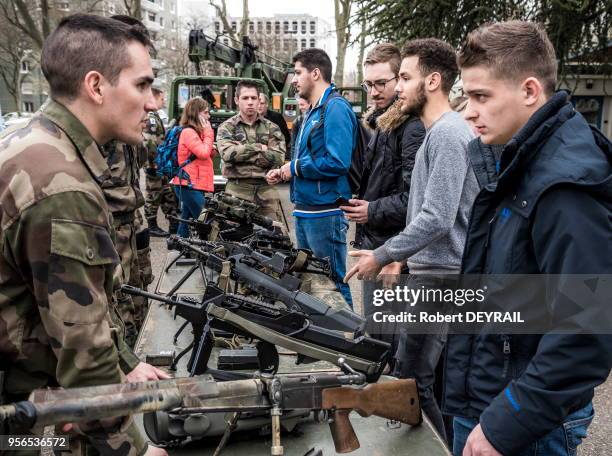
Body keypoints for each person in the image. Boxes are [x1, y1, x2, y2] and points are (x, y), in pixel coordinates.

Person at [0, 14, 168, 456]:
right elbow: (85, 359)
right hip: (23, 423)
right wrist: (135, 449)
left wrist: (125, 363)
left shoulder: (31, 144)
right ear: (96, 86)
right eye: (142, 85)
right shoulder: (63, 186)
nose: (152, 103)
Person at [447, 21, 612, 456]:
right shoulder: (514, 158)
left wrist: (509, 420)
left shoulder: (564, 186)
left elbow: (587, 329)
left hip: (524, 423)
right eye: (466, 96)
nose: (468, 110)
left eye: (481, 96)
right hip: (489, 398)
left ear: (529, 91)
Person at [344, 38, 478, 439]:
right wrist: (396, 256)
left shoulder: (448, 136)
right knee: (422, 380)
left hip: (440, 279)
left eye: (404, 77)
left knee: (412, 381)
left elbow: (437, 217)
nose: (397, 87)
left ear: (433, 81)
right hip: (430, 272)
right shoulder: (437, 134)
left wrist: (383, 254)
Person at [340, 43, 425, 350]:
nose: (373, 91)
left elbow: (418, 200)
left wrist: (372, 211)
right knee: (378, 335)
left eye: (381, 83)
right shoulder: (382, 123)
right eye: (368, 84)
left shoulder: (411, 128)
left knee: (387, 342)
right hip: (377, 246)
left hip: (392, 254)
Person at [266, 48, 357, 308]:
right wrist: (288, 168)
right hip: (307, 210)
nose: (293, 79)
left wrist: (294, 168)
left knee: (332, 284)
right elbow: (310, 158)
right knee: (313, 283)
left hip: (325, 212)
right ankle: (323, 341)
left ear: (315, 73)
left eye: (297, 73)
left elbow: (337, 161)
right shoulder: (313, 111)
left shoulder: (335, 108)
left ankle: (348, 343)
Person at [217, 80, 286, 221]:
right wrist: (260, 148)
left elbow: (278, 157)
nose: (250, 102)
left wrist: (241, 151)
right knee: (233, 236)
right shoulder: (227, 127)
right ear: (237, 100)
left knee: (276, 237)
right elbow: (228, 154)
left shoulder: (272, 128)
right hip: (237, 189)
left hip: (266, 189)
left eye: (254, 98)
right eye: (245, 98)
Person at [171, 97, 215, 237]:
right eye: (206, 112)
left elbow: (207, 153)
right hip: (189, 185)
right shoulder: (188, 132)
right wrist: (208, 132)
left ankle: (177, 247)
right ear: (197, 113)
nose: (209, 116)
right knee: (204, 222)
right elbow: (203, 153)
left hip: (192, 184)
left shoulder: (195, 132)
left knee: (186, 220)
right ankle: (208, 251)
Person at [143, 79, 179, 237]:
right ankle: (151, 226)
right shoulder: (151, 117)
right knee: (154, 194)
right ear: (154, 97)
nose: (164, 101)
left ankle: (173, 223)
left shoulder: (156, 116)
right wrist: (153, 163)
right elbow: (150, 142)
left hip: (160, 163)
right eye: (162, 98)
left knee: (166, 193)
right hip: (155, 164)